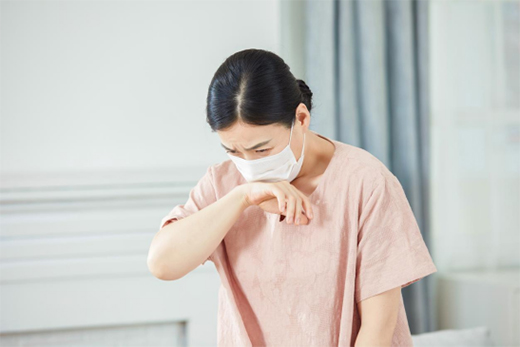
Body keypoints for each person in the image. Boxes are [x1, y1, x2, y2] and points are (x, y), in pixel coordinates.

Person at [147, 48, 437, 346]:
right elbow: (162, 264)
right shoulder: (224, 183)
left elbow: (378, 328)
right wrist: (242, 197)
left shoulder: (365, 182)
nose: (249, 164)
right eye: (233, 152)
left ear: (301, 118)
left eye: (262, 150)